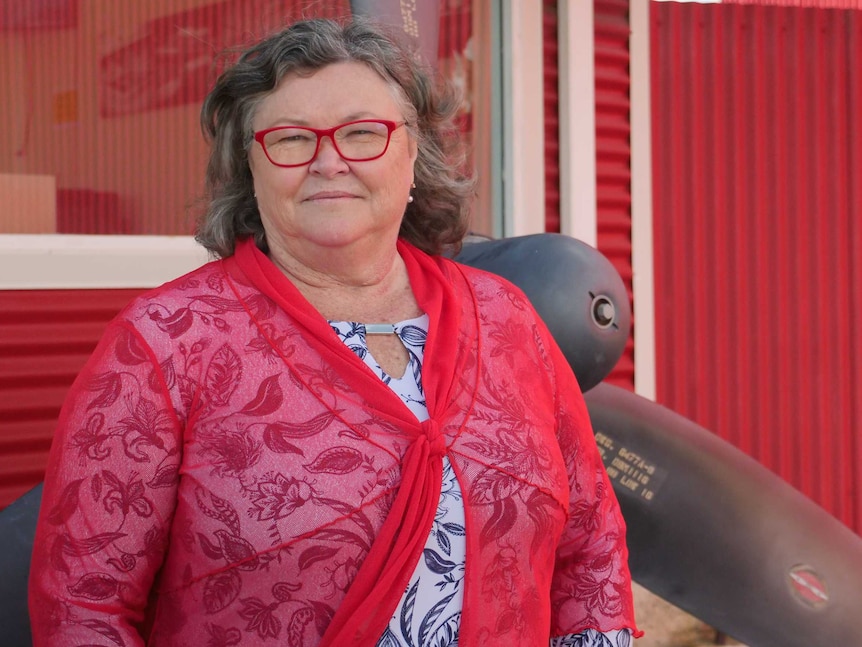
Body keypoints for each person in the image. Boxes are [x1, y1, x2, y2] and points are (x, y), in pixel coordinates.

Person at [28, 17, 639, 647]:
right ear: (250, 167)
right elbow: (83, 605)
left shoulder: (508, 320)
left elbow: (590, 546)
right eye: (290, 139)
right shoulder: (166, 342)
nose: (329, 161)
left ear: (412, 157)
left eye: (362, 133)